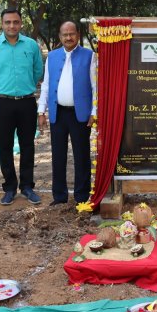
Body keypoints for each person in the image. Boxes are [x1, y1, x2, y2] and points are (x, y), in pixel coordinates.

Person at [0, 8, 43, 205]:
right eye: (8, 22)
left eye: (15, 22)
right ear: (2, 24)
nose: (12, 26)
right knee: (4, 145)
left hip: (26, 101)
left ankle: (27, 187)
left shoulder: (31, 45)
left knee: (27, 145)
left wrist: (25, 87)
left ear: (21, 24)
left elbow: (37, 71)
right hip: (1, 102)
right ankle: (9, 187)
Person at [38, 22, 97, 206]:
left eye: (72, 34)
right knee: (58, 155)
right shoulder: (52, 57)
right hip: (58, 113)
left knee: (81, 156)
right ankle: (59, 196)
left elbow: (96, 87)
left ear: (78, 35)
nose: (68, 37)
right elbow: (46, 85)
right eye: (65, 34)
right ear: (60, 35)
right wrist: (41, 111)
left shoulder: (90, 56)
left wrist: (94, 112)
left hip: (80, 114)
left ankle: (82, 196)